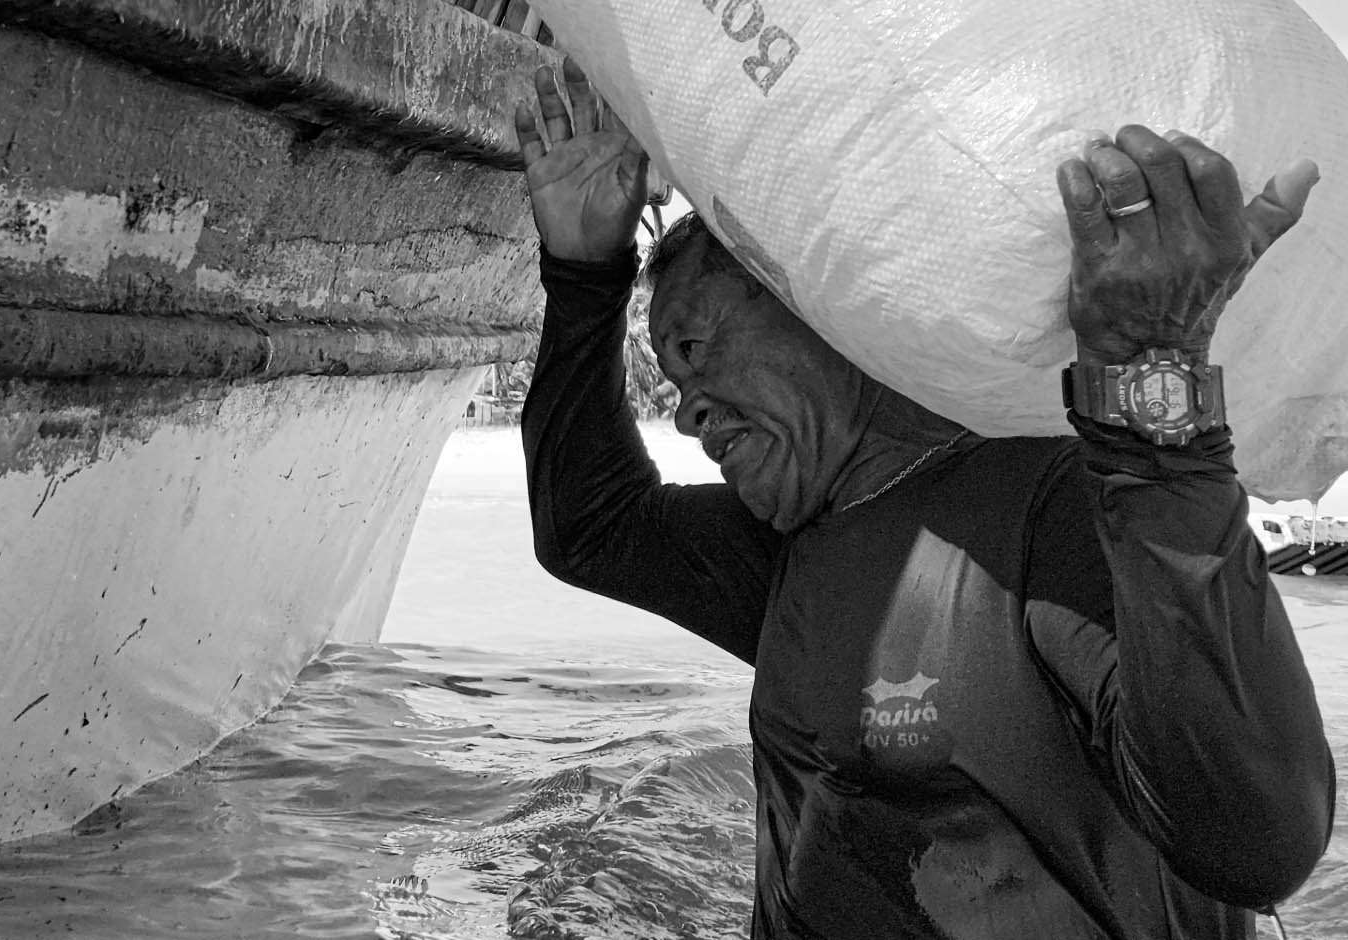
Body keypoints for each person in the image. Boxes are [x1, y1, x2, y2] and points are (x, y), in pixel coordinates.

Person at [514, 58, 1334, 937]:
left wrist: (1149, 378)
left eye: (695, 348)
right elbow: (590, 526)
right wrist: (584, 273)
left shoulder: (1055, 510)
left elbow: (1257, 844)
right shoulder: (789, 548)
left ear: (818, 308)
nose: (684, 413)